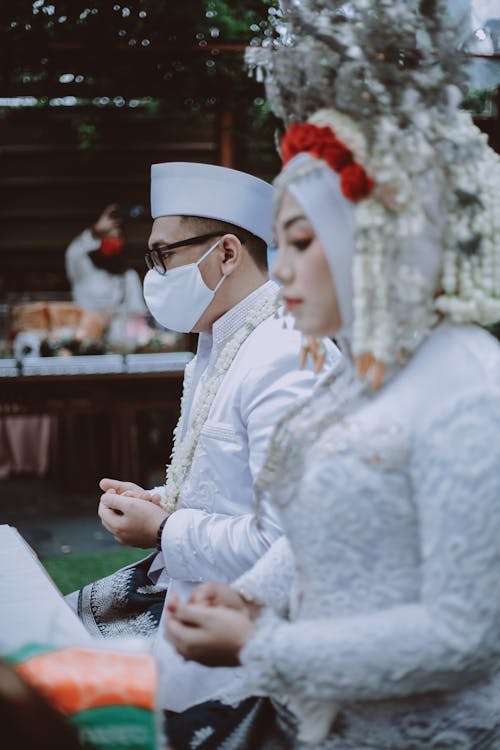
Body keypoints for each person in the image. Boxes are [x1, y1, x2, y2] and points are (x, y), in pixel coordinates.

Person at [165, 3, 500, 748]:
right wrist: (248, 597)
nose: (278, 269)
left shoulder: (467, 385)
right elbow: (332, 527)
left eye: (302, 241)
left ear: (375, 236)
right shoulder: (369, 371)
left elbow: (466, 633)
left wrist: (263, 647)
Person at [68, 161, 339, 717]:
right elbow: (229, 485)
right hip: (193, 588)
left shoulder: (287, 355)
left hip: (246, 621)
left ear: (228, 253)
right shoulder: (219, 342)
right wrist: (163, 499)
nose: (154, 274)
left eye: (163, 256)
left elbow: (294, 545)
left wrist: (165, 529)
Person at [65, 203, 147, 343]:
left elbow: (137, 315)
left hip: (118, 346)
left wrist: (115, 316)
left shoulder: (128, 276)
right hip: (84, 340)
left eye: (118, 237)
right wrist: (96, 231)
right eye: (107, 237)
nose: (113, 242)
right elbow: (73, 253)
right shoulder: (84, 268)